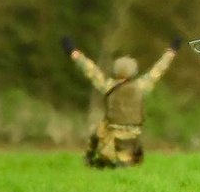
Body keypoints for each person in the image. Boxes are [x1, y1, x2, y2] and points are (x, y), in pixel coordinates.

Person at [65, 37, 176, 169]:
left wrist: (73, 52)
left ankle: (90, 158)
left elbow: (90, 70)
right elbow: (158, 70)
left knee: (97, 131)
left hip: (112, 133)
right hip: (134, 134)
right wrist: (171, 51)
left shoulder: (108, 86)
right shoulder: (141, 87)